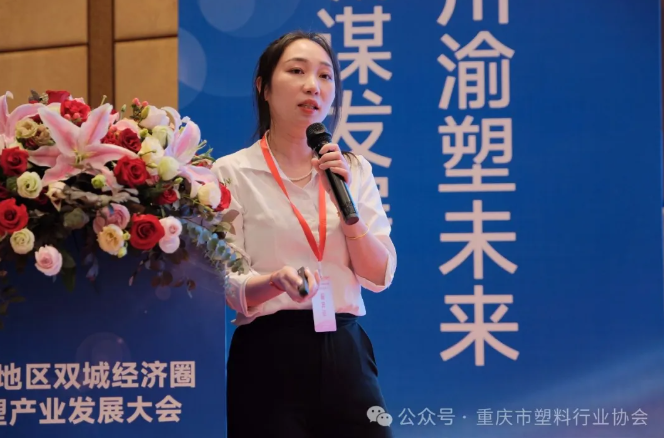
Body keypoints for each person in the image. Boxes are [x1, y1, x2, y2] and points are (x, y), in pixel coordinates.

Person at [211, 30, 397, 438]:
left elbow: (379, 275)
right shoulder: (231, 172)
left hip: (346, 349)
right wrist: (274, 281)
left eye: (325, 76)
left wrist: (348, 213)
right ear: (263, 88)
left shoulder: (353, 170)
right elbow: (227, 282)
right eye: (297, 71)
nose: (313, 85)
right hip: (268, 354)